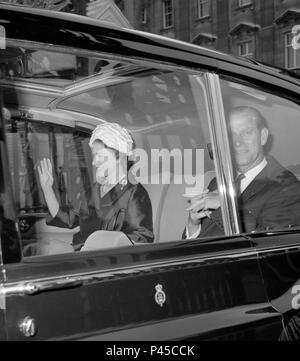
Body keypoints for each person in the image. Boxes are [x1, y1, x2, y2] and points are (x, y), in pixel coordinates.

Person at [184, 106, 300, 239]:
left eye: (247, 132)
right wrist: (193, 225)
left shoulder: (287, 188)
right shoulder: (220, 180)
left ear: (263, 137)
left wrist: (226, 206)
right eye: (231, 135)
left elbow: (271, 245)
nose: (237, 142)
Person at [37, 122, 154, 253]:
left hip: (105, 262)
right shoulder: (94, 190)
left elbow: (141, 239)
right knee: (43, 249)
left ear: (119, 155)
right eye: (94, 156)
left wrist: (104, 243)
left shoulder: (135, 193)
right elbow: (68, 218)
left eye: (100, 155)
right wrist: (47, 189)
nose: (94, 162)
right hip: (80, 254)